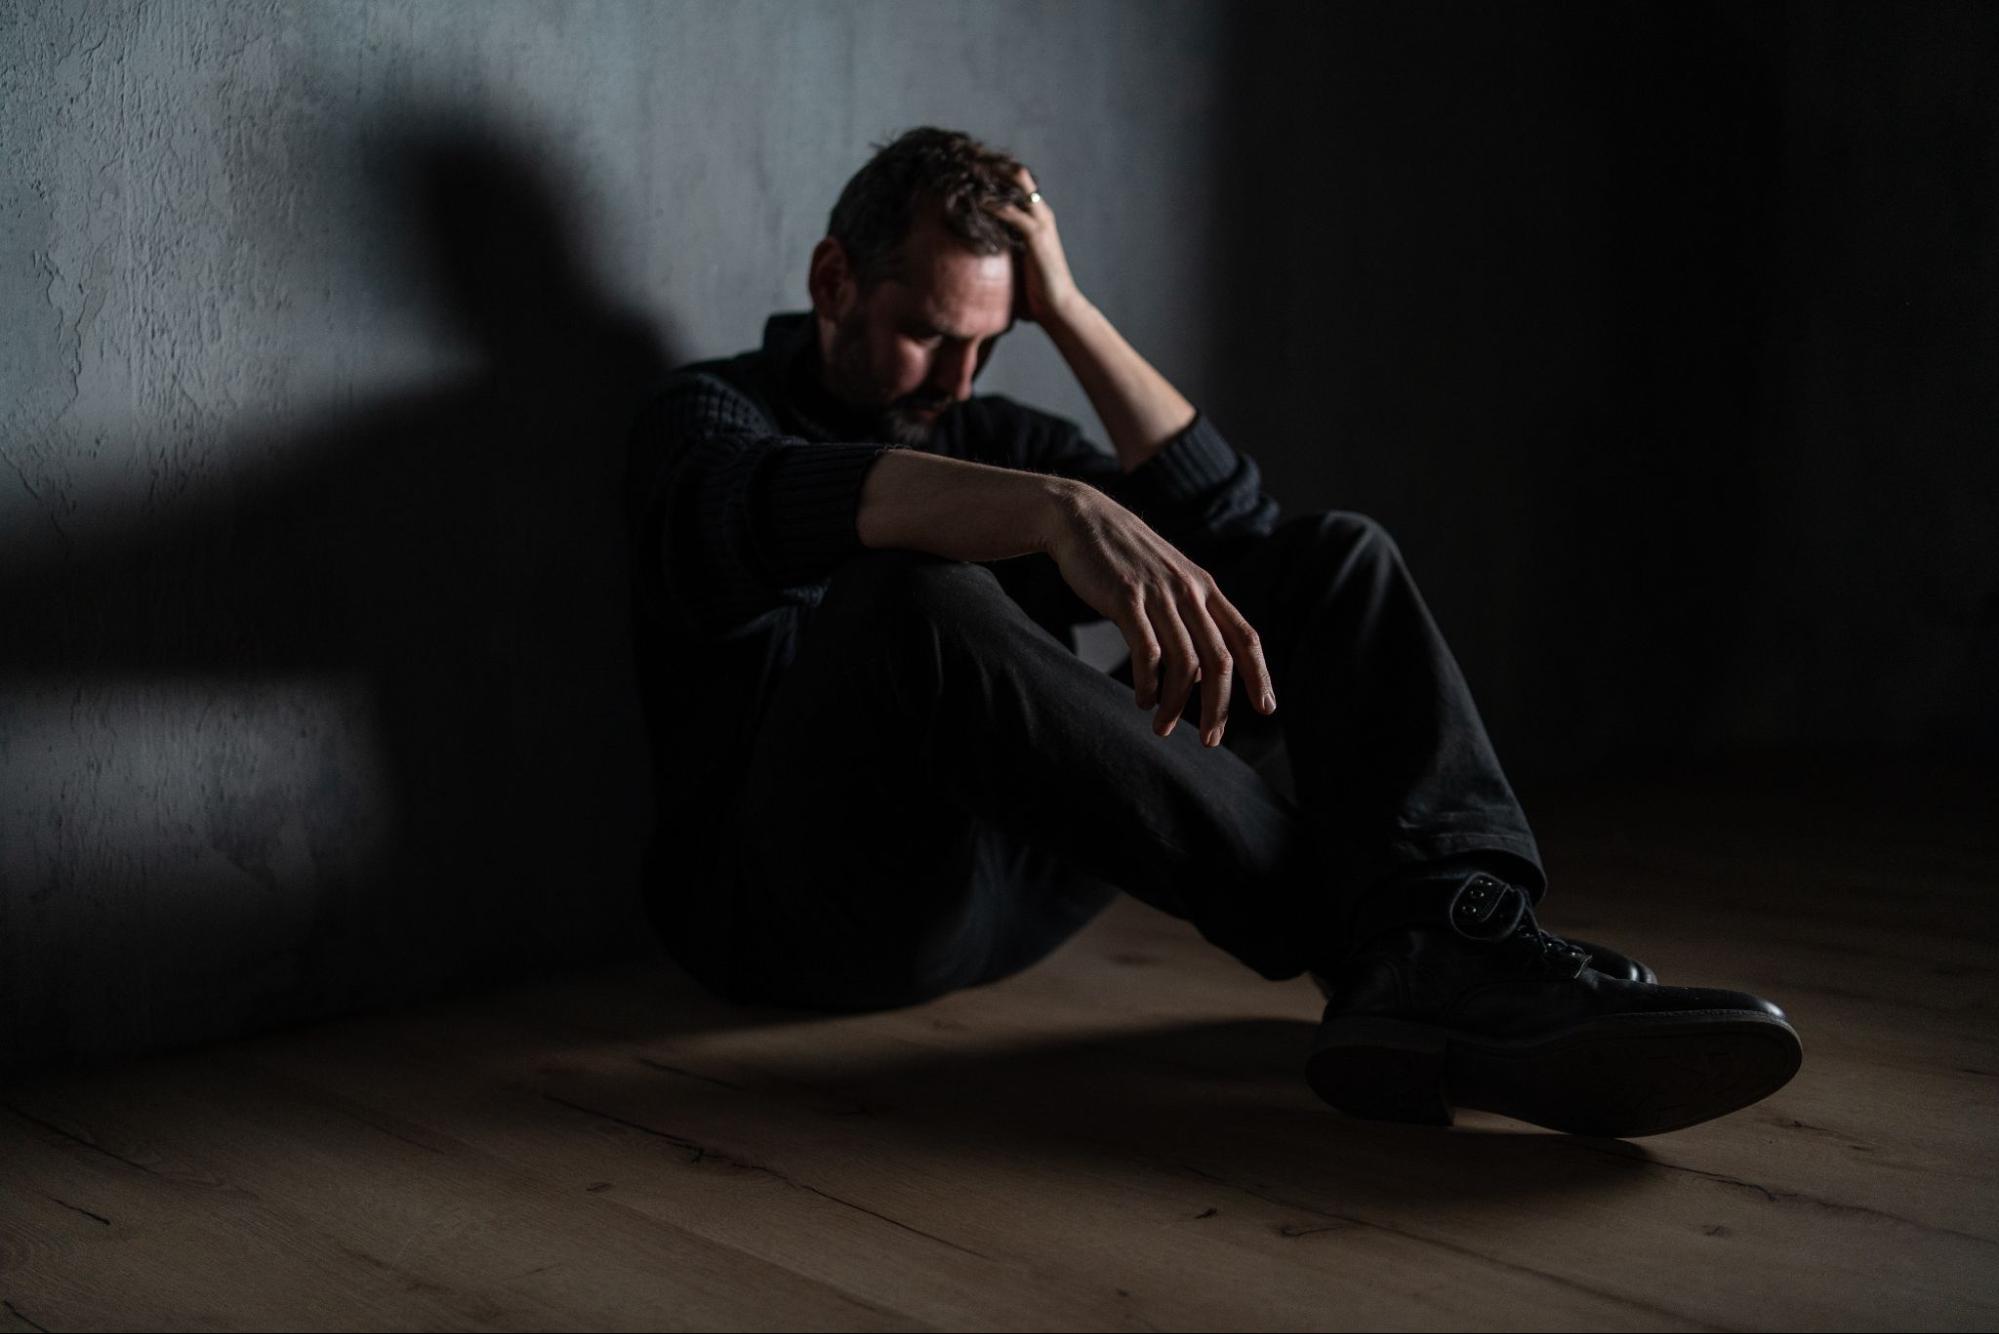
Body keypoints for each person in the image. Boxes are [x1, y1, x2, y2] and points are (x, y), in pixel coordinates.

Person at [623, 127, 1802, 1138]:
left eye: (992, 342)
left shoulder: (982, 426)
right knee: (908, 594)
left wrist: (1068, 311)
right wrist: (1053, 511)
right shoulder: (709, 413)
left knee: (1331, 557)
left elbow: (1232, 530)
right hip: (799, 917)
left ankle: (1448, 928)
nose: (961, 379)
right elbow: (763, 508)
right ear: (834, 280)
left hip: (1009, 889)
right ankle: (1412, 955)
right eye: (932, 335)